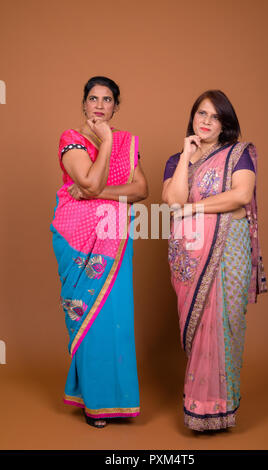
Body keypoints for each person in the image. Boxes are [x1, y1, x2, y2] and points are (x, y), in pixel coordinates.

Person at [162, 90, 267, 432]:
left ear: (225, 124)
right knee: (197, 326)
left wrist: (193, 207)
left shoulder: (238, 154)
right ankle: (199, 408)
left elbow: (241, 195)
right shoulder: (176, 160)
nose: (206, 121)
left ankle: (220, 409)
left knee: (226, 323)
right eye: (201, 114)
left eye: (214, 116)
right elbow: (172, 200)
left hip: (228, 251)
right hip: (189, 256)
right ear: (192, 118)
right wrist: (187, 158)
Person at [50, 76, 148, 428]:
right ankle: (93, 402)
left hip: (114, 237)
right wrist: (104, 142)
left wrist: (97, 191)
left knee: (114, 318)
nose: (100, 105)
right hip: (76, 238)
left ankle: (116, 401)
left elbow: (141, 189)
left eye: (108, 100)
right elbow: (87, 181)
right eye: (93, 98)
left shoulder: (126, 141)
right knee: (87, 320)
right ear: (84, 103)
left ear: (115, 106)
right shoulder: (71, 138)